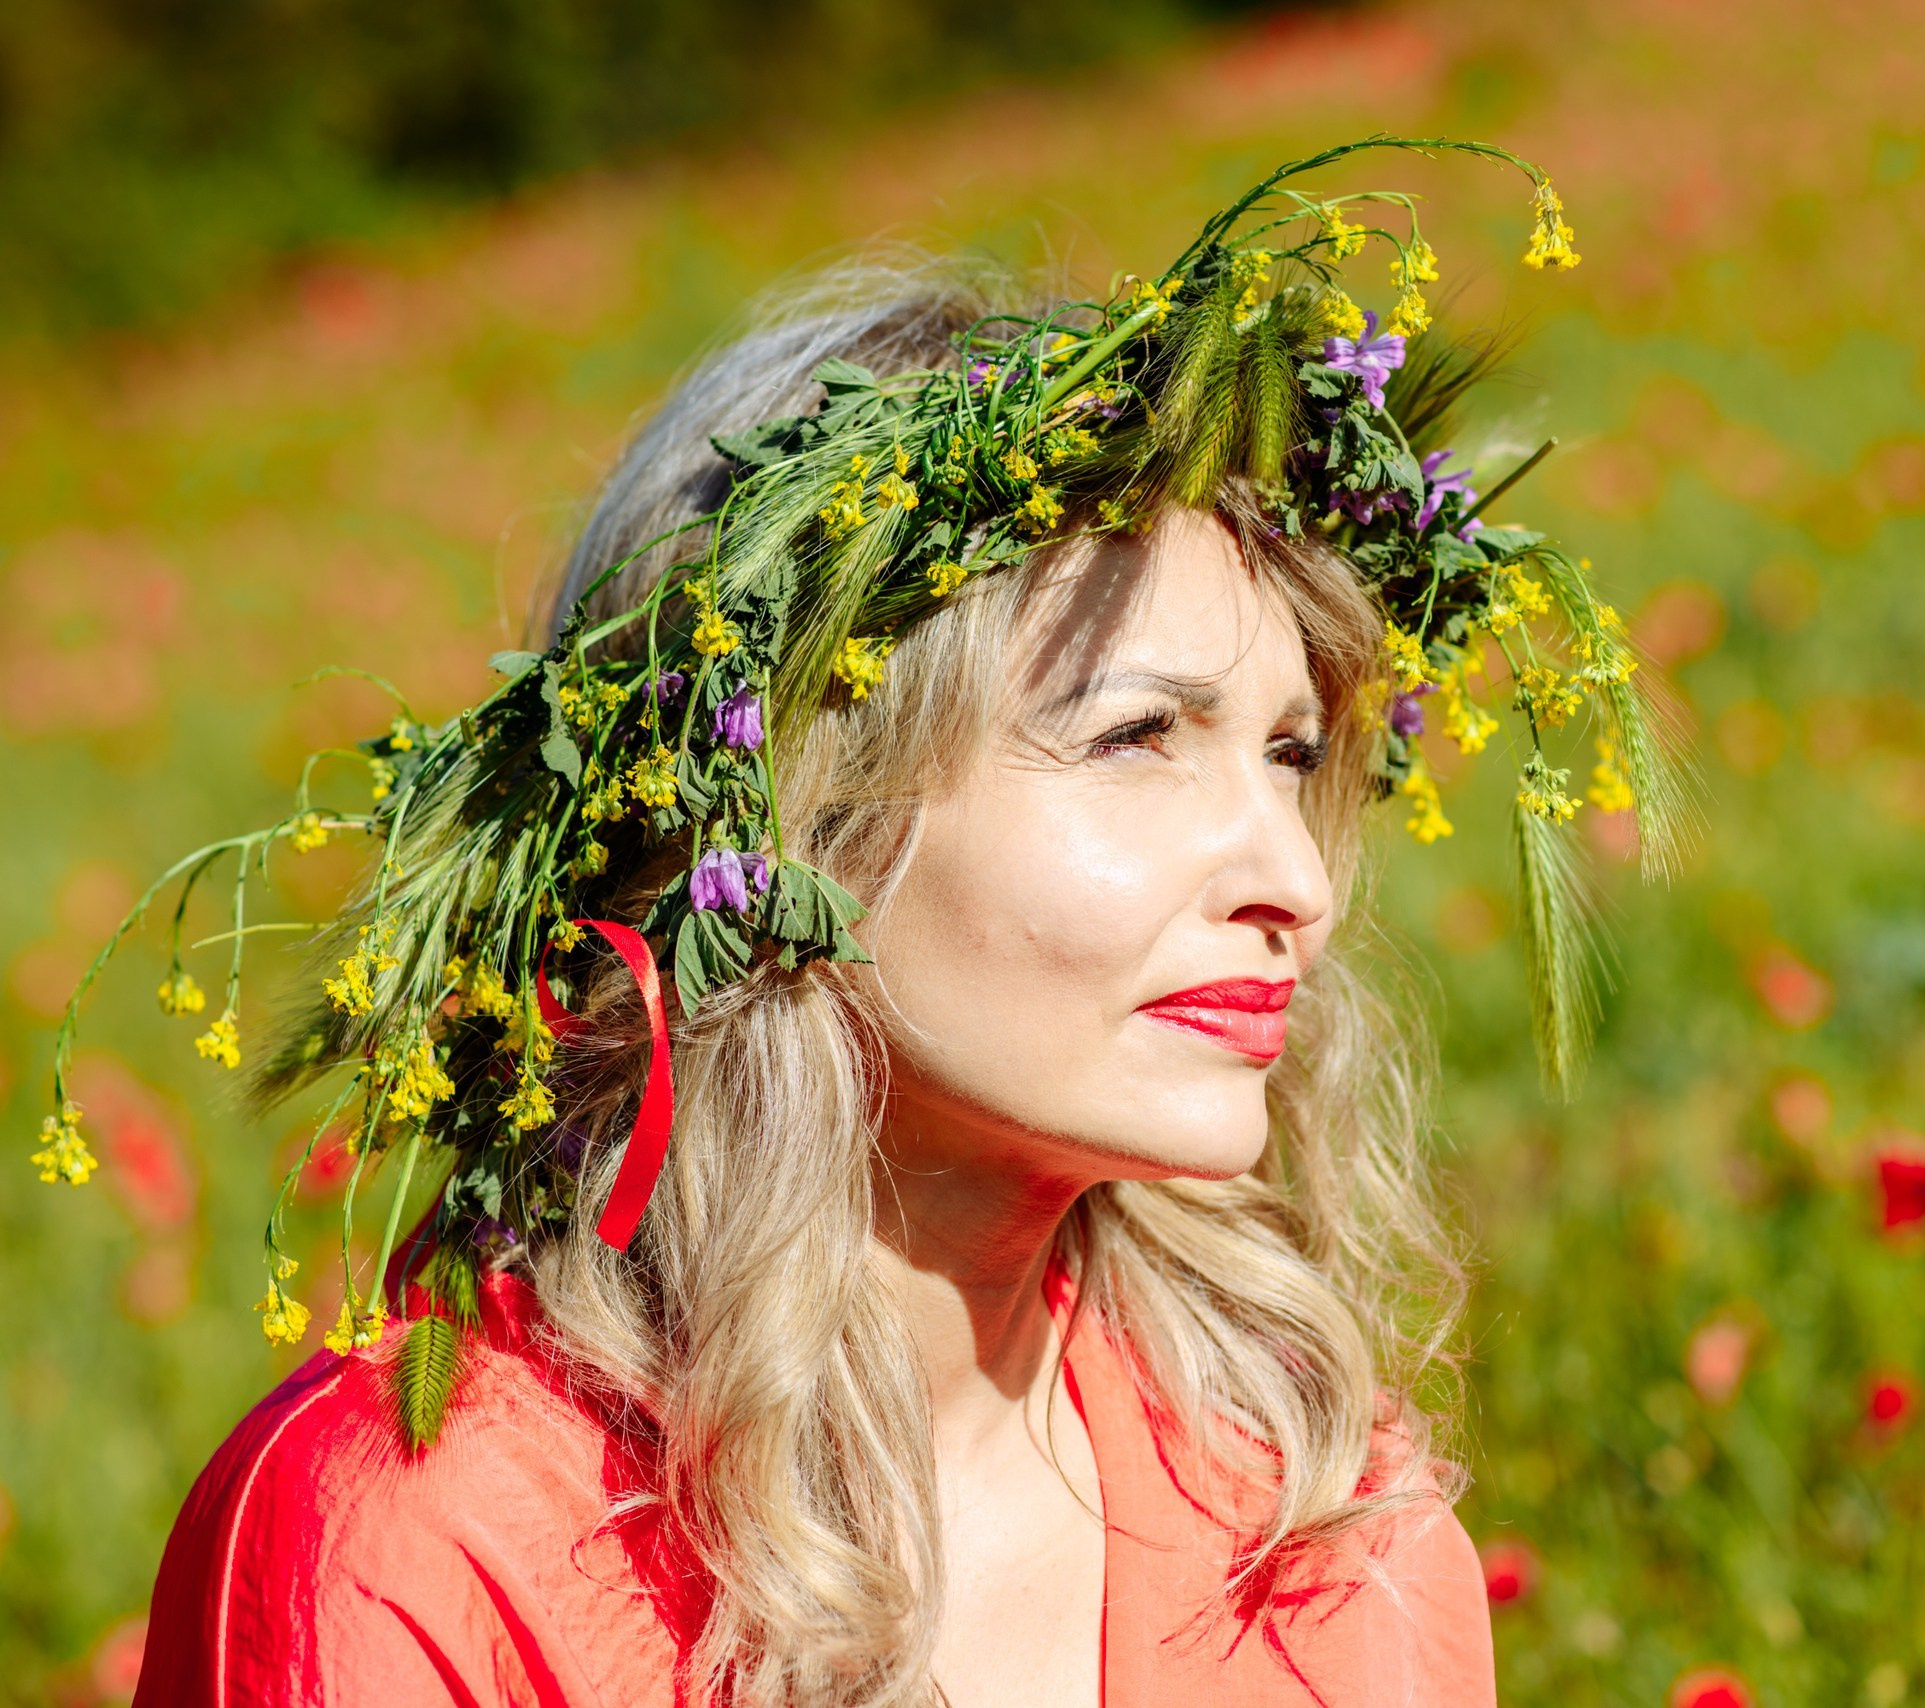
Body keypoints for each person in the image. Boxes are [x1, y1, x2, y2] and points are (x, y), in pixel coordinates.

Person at [76, 140, 1661, 1706]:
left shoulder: (1320, 1522)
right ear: (782, 814)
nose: (1298, 888)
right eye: (1135, 739)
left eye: (1292, 753)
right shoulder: (423, 1545)